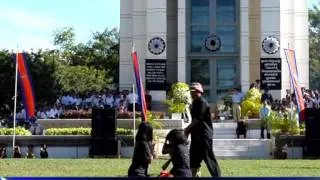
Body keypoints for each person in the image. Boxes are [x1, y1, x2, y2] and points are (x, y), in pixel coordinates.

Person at [184, 82, 221, 177]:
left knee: (208, 157)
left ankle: (217, 176)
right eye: (191, 92)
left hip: (204, 134)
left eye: (194, 92)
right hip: (196, 134)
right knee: (193, 157)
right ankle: (195, 175)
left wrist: (187, 130)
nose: (192, 94)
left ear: (199, 92)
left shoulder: (202, 102)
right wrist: (189, 131)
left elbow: (197, 120)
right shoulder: (195, 102)